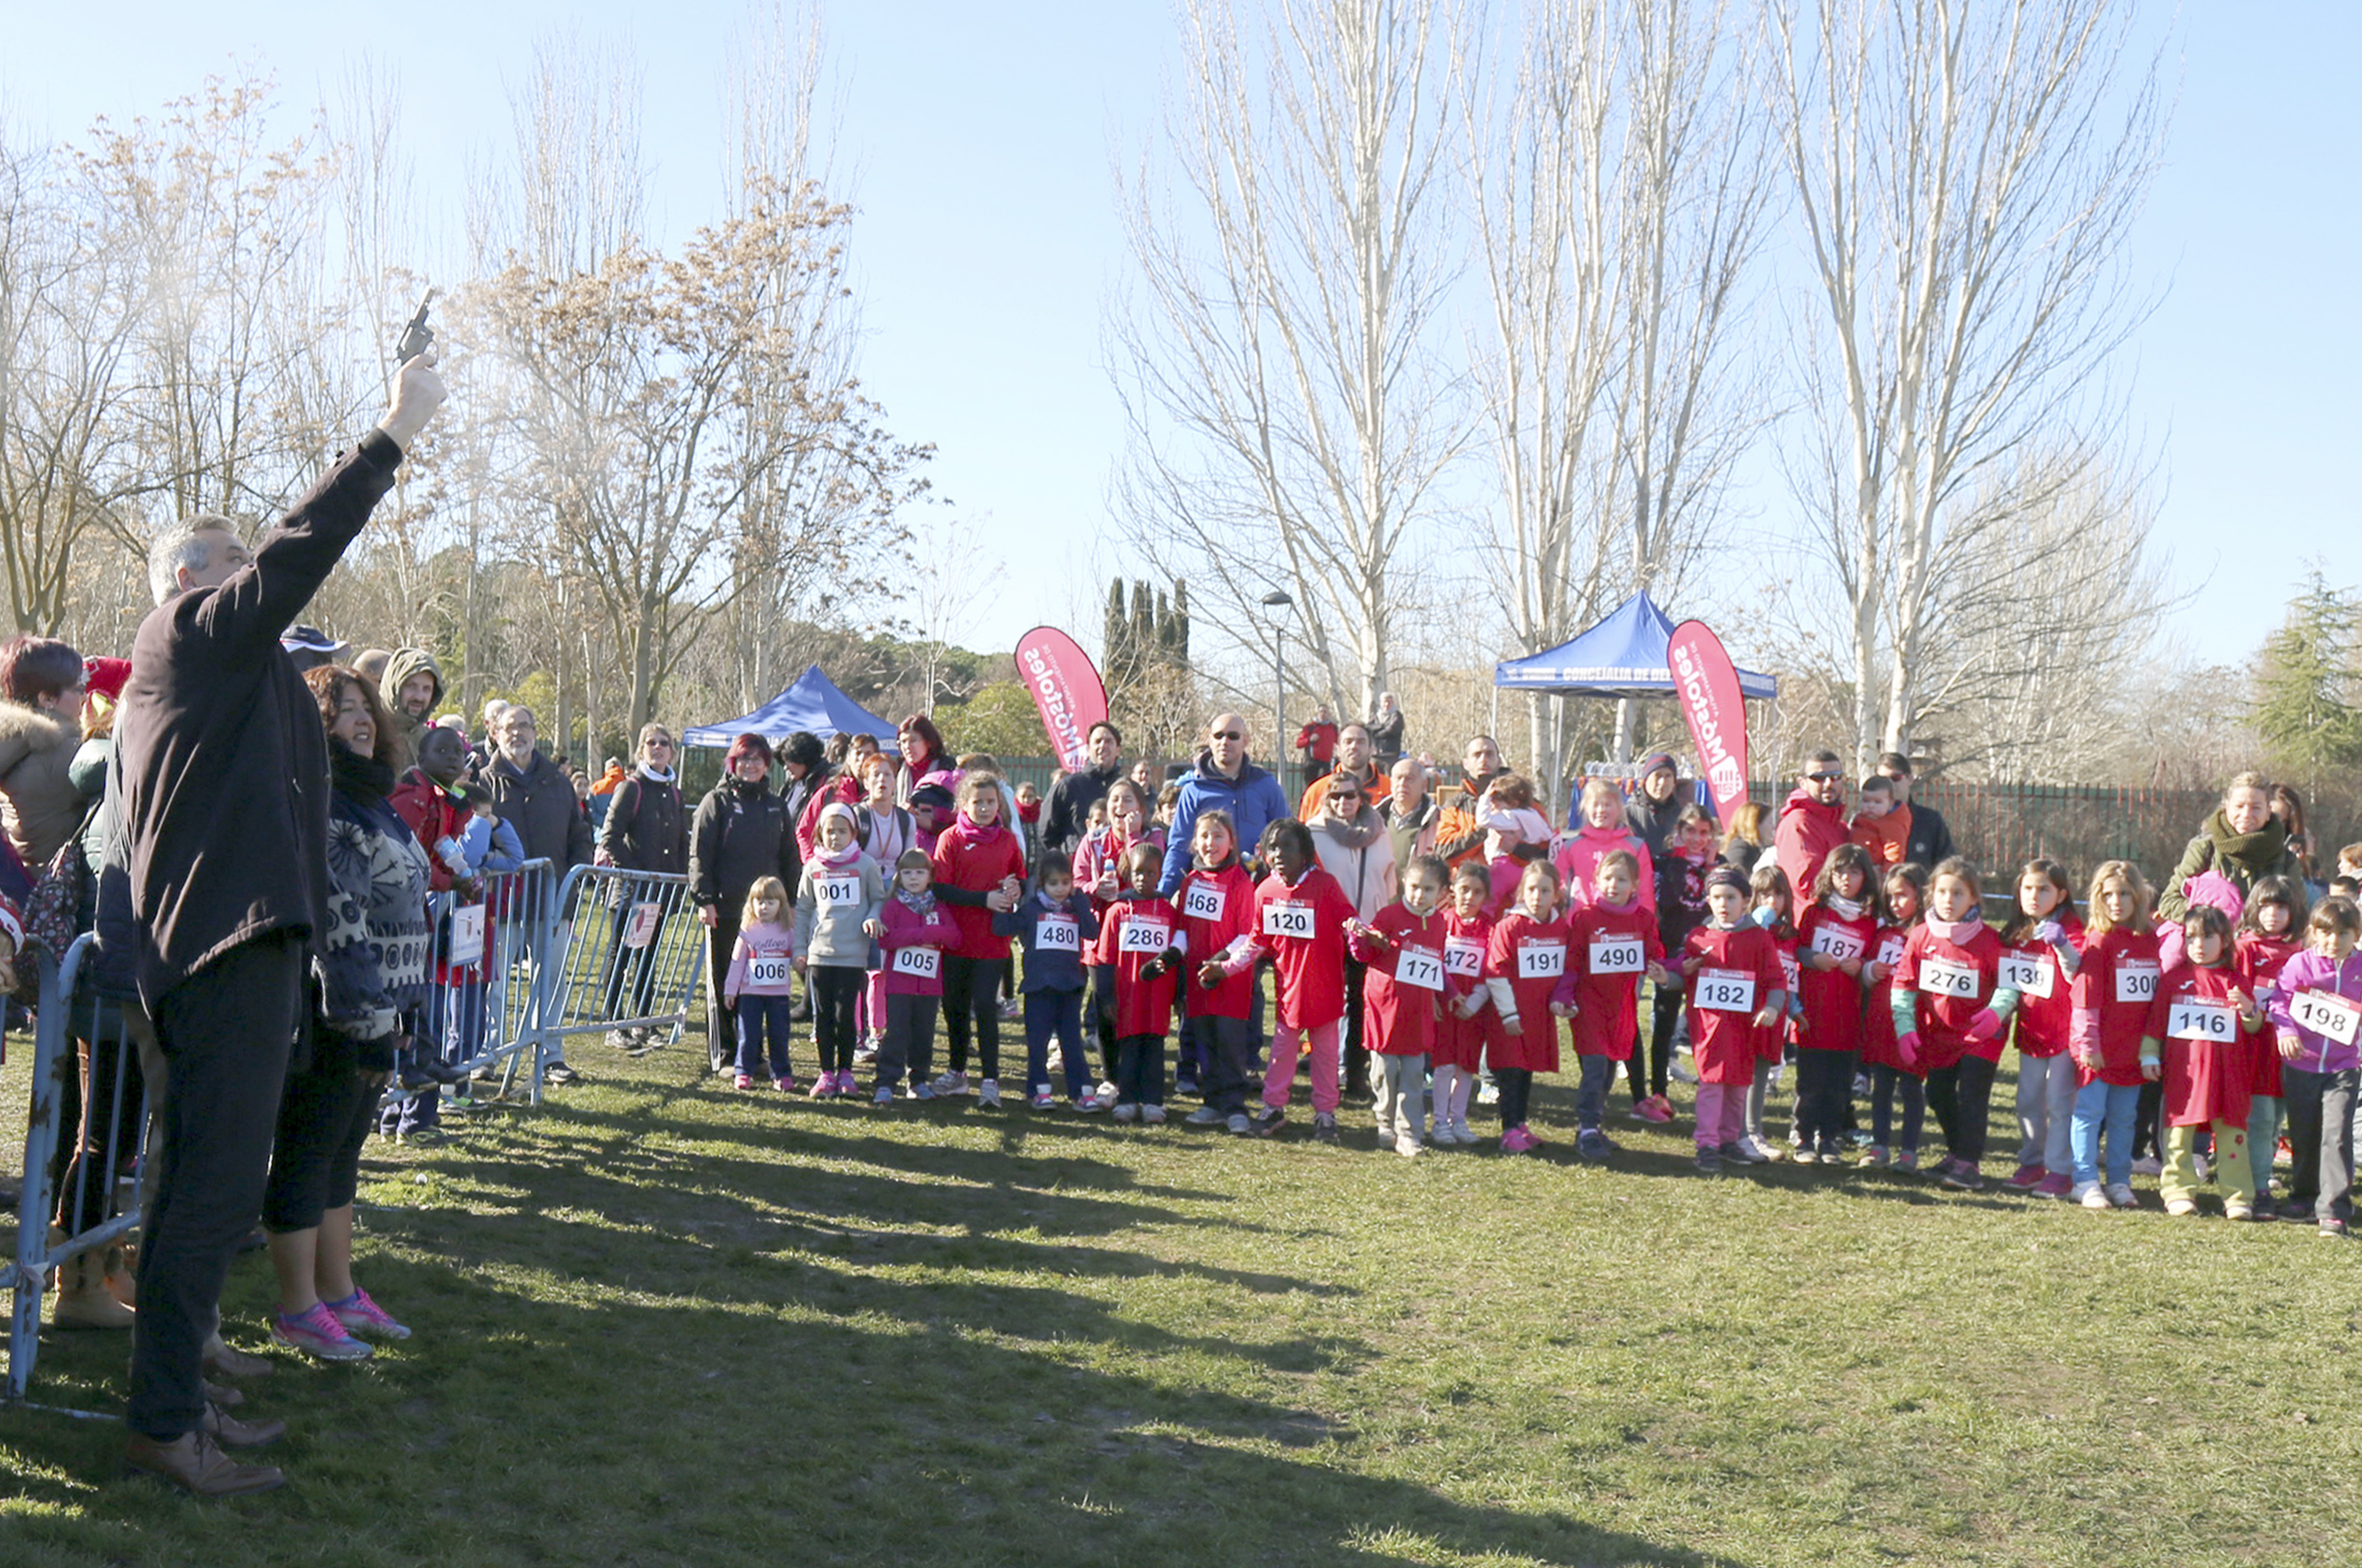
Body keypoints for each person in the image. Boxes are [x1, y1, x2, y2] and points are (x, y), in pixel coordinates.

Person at [117, 344, 442, 1494]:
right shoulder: (188, 637)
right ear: (178, 586)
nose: (246, 577)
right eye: (224, 565)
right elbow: (294, 561)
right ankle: (165, 1426)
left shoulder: (246, 687)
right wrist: (390, 438)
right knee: (207, 1192)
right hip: (218, 953)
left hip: (253, 953)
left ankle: (181, 1385)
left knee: (204, 1188)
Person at [262, 665, 430, 1365]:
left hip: (382, 1010)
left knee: (343, 1155)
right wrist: (367, 1019)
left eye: (365, 709)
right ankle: (297, 1307)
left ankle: (338, 1291)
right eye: (341, 711)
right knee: (309, 1151)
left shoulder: (374, 799)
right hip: (336, 1013)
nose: (360, 720)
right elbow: (340, 921)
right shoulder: (325, 805)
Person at [1212, 818, 1355, 1140]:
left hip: (1325, 989)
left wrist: (1360, 932)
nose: (1279, 854)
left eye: (1288, 846)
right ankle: (1273, 1107)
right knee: (1281, 1052)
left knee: (1325, 1055)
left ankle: (1325, 1114)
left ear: (1305, 852)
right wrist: (1227, 967)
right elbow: (1256, 941)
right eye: (1273, 847)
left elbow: (1348, 917)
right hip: (1288, 991)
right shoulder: (1265, 890)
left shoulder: (1325, 885)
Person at [1890, 857, 2018, 1192]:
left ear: (1974, 898)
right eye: (1942, 892)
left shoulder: (1989, 940)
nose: (1948, 900)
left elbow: (2008, 984)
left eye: (1958, 893)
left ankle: (1969, 1165)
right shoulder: (1920, 936)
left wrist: (1996, 1013)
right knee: (1938, 1092)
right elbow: (1903, 985)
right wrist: (1905, 1029)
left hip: (1981, 1036)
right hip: (1940, 1034)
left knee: (1972, 1096)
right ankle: (1956, 1153)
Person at [484, 702, 595, 1083]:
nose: (518, 733)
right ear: (495, 733)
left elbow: (580, 834)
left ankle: (550, 1055)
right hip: (500, 903)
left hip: (552, 900)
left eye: (525, 726)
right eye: (510, 727)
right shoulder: (483, 782)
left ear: (536, 732)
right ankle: (489, 1052)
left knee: (550, 982)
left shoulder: (558, 782)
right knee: (493, 982)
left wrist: (572, 880)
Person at [2145, 904, 2264, 1219]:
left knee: (2232, 1135)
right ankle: (2178, 1191)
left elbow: (2254, 1027)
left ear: (2225, 940)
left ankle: (2238, 1196)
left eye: (2207, 936)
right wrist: (2149, 1054)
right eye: (2191, 937)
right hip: (2185, 1076)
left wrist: (2250, 1010)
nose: (2198, 944)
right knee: (2179, 1135)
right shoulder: (2173, 980)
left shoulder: (2236, 981)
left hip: (2229, 1074)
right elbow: (2156, 1023)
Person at [689, 734, 800, 1067]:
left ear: (767, 764)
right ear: (733, 763)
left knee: (759, 984)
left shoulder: (776, 805)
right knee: (726, 981)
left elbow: (789, 857)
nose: (750, 765)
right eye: (744, 759)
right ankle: (725, 1051)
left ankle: (753, 1052)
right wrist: (704, 899)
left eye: (757, 759)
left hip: (767, 914)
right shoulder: (716, 801)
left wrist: (791, 902)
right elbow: (700, 855)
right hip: (725, 909)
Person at [2264, 895, 2362, 1235]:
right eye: (2327, 932)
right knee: (2305, 1135)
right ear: (2314, 932)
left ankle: (2333, 1209)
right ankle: (2304, 1196)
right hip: (2301, 1065)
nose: (2334, 941)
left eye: (2344, 934)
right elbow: (2279, 1001)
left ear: (2357, 935)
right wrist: (2286, 1031)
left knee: (2336, 1135)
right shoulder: (2299, 965)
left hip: (2344, 1068)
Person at [928, 771, 1027, 1106]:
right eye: (977, 802)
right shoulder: (950, 839)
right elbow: (941, 888)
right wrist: (983, 899)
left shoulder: (1008, 841)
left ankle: (990, 1079)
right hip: (955, 939)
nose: (984, 808)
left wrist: (1016, 889)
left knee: (985, 1006)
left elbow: (1021, 880)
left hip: (993, 943)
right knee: (954, 1007)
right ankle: (957, 1072)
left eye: (990, 802)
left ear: (999, 804)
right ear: (963, 805)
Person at [1681, 865, 1788, 1174]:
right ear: (1708, 900)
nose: (1723, 904)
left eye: (1730, 897)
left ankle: (1730, 1140)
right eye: (1716, 897)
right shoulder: (1699, 936)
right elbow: (1684, 974)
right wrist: (1674, 974)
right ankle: (1706, 1144)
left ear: (1746, 900)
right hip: (1710, 1029)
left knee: (1738, 1086)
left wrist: (1772, 1007)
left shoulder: (1758, 938)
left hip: (1744, 1029)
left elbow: (1775, 979)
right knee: (1712, 1085)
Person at [1565, 851, 1671, 1162]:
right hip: (1590, 1005)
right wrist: (1565, 995)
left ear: (1635, 884)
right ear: (1597, 881)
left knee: (1610, 1067)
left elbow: (1654, 950)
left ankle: (1595, 1124)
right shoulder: (1585, 918)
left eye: (1622, 879)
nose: (1614, 885)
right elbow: (1572, 959)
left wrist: (1657, 966)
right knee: (1595, 1067)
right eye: (1608, 878)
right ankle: (1585, 1128)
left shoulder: (1643, 919)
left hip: (1622, 1007)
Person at [2068, 860, 2160, 1211]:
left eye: (2124, 894)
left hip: (2132, 1051)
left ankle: (2120, 1181)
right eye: (2108, 895)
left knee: (2125, 1118)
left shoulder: (2150, 940)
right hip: (2098, 1050)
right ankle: (2085, 1180)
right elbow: (2086, 997)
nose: (2116, 902)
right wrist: (2089, 1044)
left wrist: (2149, 1048)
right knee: (2089, 1114)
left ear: (2138, 897)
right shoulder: (2099, 940)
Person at [1345, 853, 1450, 1156]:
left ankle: (1409, 1132)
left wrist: (1438, 996)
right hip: (1385, 1008)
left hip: (1418, 1012)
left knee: (1415, 1073)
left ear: (1441, 892)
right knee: (1384, 1072)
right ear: (1404, 882)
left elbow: (1435, 965)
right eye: (1414, 886)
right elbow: (1364, 953)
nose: (1419, 895)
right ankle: (1384, 1123)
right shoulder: (1389, 915)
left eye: (1428, 889)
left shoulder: (1440, 923)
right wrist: (1359, 937)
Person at [593, 723, 689, 1046]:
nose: (658, 748)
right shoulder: (631, 788)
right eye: (651, 742)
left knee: (648, 957)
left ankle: (644, 1023)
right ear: (641, 750)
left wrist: (677, 878)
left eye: (664, 743)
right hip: (631, 891)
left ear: (672, 751)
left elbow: (679, 841)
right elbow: (610, 837)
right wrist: (637, 873)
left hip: (660, 892)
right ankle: (614, 1023)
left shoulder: (674, 791)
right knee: (621, 955)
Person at [1309, 774, 1397, 1100]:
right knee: (1328, 1003)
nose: (1342, 802)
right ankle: (1326, 1071)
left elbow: (1389, 878)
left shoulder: (1379, 832)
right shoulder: (1313, 833)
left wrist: (1377, 916)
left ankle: (1356, 1072)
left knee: (1361, 1002)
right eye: (1335, 796)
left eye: (1349, 795)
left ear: (1361, 797)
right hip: (1328, 931)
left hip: (1367, 930)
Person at [2000, 860, 2085, 1198]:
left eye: (2044, 889)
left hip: (2064, 1034)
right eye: (2028, 888)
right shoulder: (2017, 934)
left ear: (2062, 894)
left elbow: (2077, 971)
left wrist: (2062, 944)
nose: (2034, 895)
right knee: (2028, 1100)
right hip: (2032, 1033)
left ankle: (2061, 1170)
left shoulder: (2074, 930)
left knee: (2060, 1103)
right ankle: (2032, 1161)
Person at [1175, 811, 1261, 1134]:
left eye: (1218, 836)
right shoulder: (1190, 881)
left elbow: (1246, 932)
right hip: (1198, 979)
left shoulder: (1240, 881)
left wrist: (1220, 962)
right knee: (1204, 1039)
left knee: (1229, 1041)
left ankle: (1234, 1105)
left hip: (1229, 979)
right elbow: (1183, 926)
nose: (1211, 843)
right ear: (1195, 841)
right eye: (1205, 836)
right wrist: (1174, 955)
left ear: (1231, 842)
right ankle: (1211, 1102)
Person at [1794, 844, 1880, 1166]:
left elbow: (1874, 962)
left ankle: (1829, 1138)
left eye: (1854, 872)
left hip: (1847, 1016)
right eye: (1840, 871)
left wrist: (1862, 967)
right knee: (1810, 1081)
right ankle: (1803, 1135)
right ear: (1829, 875)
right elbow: (1797, 949)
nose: (1846, 878)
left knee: (1838, 1084)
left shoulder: (1870, 923)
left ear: (1865, 878)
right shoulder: (1815, 913)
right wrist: (1813, 958)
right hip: (1813, 1013)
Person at [997, 848, 1101, 1112]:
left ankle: (1082, 1091)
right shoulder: (1031, 909)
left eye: (1066, 883)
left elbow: (1092, 931)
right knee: (1037, 1041)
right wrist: (1005, 899)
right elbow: (1001, 927)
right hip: (1039, 986)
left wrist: (1081, 904)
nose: (1060, 889)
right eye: (1054, 883)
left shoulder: (1075, 909)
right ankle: (1038, 1090)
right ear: (1042, 883)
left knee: (1072, 1042)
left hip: (1070, 986)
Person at [1483, 859, 1571, 1155]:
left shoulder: (1560, 927)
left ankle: (1520, 1123)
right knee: (1511, 1070)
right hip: (1510, 1014)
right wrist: (1508, 1013)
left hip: (1538, 1015)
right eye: (1532, 889)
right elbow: (1496, 972)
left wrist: (1564, 1001)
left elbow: (1567, 969)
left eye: (1545, 890)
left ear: (1556, 895)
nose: (1538, 897)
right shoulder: (1510, 927)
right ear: (1522, 892)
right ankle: (1508, 1129)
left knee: (1527, 1070)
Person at [1639, 804, 1716, 1125]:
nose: (1697, 839)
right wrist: (1681, 860)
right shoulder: (1667, 863)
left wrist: (1710, 868)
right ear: (1679, 833)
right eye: (1690, 831)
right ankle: (1658, 1092)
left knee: (1707, 1027)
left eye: (1703, 832)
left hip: (1708, 957)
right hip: (1672, 954)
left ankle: (1713, 1092)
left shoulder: (1719, 866)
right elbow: (1666, 902)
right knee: (1664, 1024)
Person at [1157, 713, 1292, 895]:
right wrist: (1164, 894)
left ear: (1245, 740)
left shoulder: (1266, 785)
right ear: (1210, 741)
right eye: (1218, 736)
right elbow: (1179, 847)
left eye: (1233, 736)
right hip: (1207, 890)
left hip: (1256, 888)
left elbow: (1287, 837)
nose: (1225, 741)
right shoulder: (1193, 790)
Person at [2233, 876, 2303, 1216]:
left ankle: (2264, 1171)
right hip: (2255, 1049)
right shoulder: (2245, 949)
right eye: (2265, 906)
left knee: (2276, 1121)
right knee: (2259, 1119)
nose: (2272, 914)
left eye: (2281, 906)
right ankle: (2258, 1186)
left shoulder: (2302, 952)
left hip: (2291, 1051)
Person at [1102, 842, 1184, 1123]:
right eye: (1138, 872)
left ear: (1160, 873)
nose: (1143, 878)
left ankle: (1153, 1101)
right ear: (1128, 872)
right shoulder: (1117, 912)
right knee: (1129, 1046)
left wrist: (1179, 995)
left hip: (1158, 996)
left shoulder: (1167, 911)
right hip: (1127, 995)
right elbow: (1106, 958)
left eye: (1150, 873)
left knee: (1154, 1047)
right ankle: (1126, 1099)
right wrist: (1107, 996)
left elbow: (1177, 955)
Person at [2158, 770, 2309, 921]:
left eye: (2256, 808)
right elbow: (2169, 902)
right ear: (2226, 807)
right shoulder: (2205, 849)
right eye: (2239, 806)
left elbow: (2300, 913)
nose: (2246, 814)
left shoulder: (2285, 859)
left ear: (2268, 812)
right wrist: (2216, 916)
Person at [0, 633, 94, 873]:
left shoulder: (12, 742)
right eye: (79, 688)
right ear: (47, 699)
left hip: (21, 892)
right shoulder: (64, 750)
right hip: (57, 894)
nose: (85, 697)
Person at [873, 850, 959, 1101]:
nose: (913, 877)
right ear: (899, 876)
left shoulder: (939, 907)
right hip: (899, 984)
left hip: (930, 987)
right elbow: (886, 938)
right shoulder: (893, 906)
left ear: (930, 877)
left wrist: (933, 933)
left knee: (924, 1033)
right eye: (908, 872)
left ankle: (918, 1079)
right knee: (897, 1032)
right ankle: (886, 1082)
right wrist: (922, 935)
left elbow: (954, 938)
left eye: (920, 872)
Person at [1859, 864, 1928, 1171]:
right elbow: (1866, 964)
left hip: (1911, 1025)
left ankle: (1909, 1150)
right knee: (1881, 1088)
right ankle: (1879, 1145)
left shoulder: (1926, 935)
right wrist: (1869, 971)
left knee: (1912, 1090)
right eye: (1891, 896)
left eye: (1903, 895)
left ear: (1921, 896)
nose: (1895, 902)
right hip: (1879, 1023)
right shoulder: (1883, 931)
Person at [1431, 860, 1500, 1146]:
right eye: (1464, 890)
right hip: (1445, 1009)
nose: (1469, 897)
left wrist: (1474, 1001)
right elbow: (1432, 961)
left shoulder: (1489, 929)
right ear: (1452, 890)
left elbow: (1492, 969)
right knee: (1444, 1065)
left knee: (1466, 1067)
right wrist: (1440, 996)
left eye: (1477, 892)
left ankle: (1458, 1119)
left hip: (1473, 1010)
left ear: (1485, 896)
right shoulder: (1441, 922)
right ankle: (1439, 1121)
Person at [723, 876, 799, 1092]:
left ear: (780, 905)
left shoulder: (788, 931)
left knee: (779, 1034)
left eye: (770, 902)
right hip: (750, 994)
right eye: (760, 902)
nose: (764, 907)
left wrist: (800, 962)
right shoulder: (747, 932)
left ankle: (782, 1073)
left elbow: (796, 955)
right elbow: (737, 963)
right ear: (752, 904)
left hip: (779, 995)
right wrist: (731, 990)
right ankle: (743, 1071)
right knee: (749, 1034)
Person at [1553, 778, 1655, 918]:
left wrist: (1647, 925)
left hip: (1624, 925)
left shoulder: (1636, 847)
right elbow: (1559, 889)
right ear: (1585, 808)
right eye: (1595, 805)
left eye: (1608, 805)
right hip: (1581, 923)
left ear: (1619, 808)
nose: (1601, 810)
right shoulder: (1571, 847)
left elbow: (1645, 892)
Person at [1772, 751, 1850, 904]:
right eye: (1819, 778)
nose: (1829, 783)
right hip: (1812, 919)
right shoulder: (1799, 822)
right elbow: (1806, 884)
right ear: (1802, 783)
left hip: (1839, 918)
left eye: (1835, 777)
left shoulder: (1839, 826)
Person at [1042, 720, 1125, 859]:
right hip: (1075, 870)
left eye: (1109, 741)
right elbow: (1046, 831)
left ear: (1118, 750)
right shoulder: (1068, 786)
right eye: (1097, 741)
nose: (1103, 746)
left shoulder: (1126, 789)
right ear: (1088, 749)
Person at [1477, 774, 1553, 910]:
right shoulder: (1533, 815)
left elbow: (1483, 819)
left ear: (1514, 803)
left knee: (1490, 897)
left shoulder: (1512, 816)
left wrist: (1485, 797)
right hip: (1526, 865)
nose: (1493, 806)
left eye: (1496, 803)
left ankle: (1485, 917)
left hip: (1506, 864)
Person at [1435, 735, 1508, 870]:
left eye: (1489, 754)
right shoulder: (1455, 805)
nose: (1483, 760)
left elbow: (1541, 845)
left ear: (1499, 761)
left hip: (1509, 886)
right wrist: (1484, 827)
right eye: (1477, 755)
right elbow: (1443, 851)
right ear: (1466, 764)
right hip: (1466, 886)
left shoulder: (1519, 800)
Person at [1872, 753, 1956, 869]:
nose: (1890, 784)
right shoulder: (1865, 822)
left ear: (1910, 779)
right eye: (1883, 780)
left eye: (1895, 778)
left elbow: (1947, 866)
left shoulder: (1930, 822)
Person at [1298, 722, 1391, 820]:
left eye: (1361, 742)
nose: (1354, 746)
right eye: (1348, 741)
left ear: (1371, 750)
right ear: (1337, 750)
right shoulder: (1316, 792)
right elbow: (1302, 833)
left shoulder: (1391, 790)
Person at [376, 647, 445, 772]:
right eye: (411, 686)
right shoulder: (372, 733)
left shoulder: (429, 740)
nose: (419, 697)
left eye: (426, 689)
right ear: (394, 688)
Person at [1623, 752, 1705, 854]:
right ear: (1645, 779)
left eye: (1668, 776)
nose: (1663, 783)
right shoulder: (1627, 815)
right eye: (1658, 776)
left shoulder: (1683, 816)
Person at [1379, 757, 1439, 873]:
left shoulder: (1438, 820)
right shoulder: (1375, 819)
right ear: (1391, 784)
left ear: (1424, 785)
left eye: (1409, 779)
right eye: (1398, 778)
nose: (1402, 784)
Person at [895, 714, 956, 806]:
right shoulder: (895, 769)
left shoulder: (948, 768)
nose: (907, 747)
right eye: (903, 742)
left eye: (913, 740)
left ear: (929, 742)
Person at [1293, 704, 1338, 797]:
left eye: (1325, 712)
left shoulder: (1333, 728)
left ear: (1329, 714)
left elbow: (1339, 742)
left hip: (1326, 763)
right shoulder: (1310, 728)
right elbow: (1298, 743)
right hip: (1312, 763)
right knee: (1310, 788)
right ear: (1317, 713)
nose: (1323, 714)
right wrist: (1309, 739)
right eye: (1321, 711)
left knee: (1324, 788)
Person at [1719, 800, 1770, 878]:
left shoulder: (1753, 847)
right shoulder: (1740, 848)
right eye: (1769, 822)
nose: (1773, 826)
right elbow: (1735, 878)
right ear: (1755, 824)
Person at [1368, 692, 1406, 768]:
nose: (1387, 704)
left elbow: (1391, 730)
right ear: (1381, 703)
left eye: (1389, 702)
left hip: (1391, 754)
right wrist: (1382, 726)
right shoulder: (1376, 716)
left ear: (1393, 703)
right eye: (1385, 702)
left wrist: (1376, 734)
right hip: (1376, 753)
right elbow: (1368, 727)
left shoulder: (1397, 716)